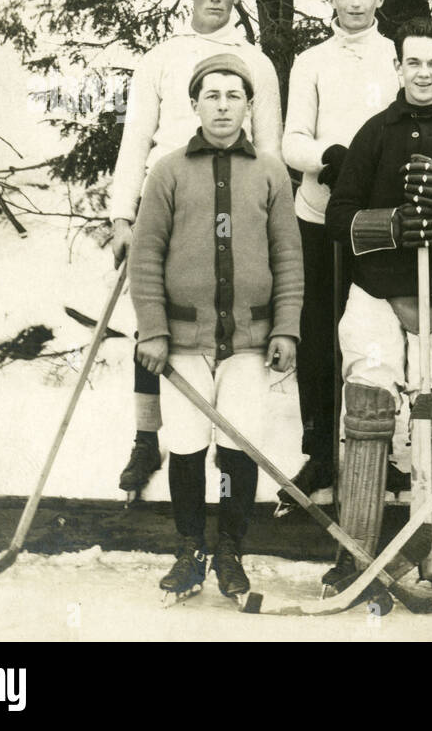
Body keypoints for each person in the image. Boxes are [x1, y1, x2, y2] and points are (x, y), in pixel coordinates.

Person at [324, 17, 432, 589]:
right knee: (370, 414)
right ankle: (355, 551)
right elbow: (337, 216)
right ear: (397, 67)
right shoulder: (374, 133)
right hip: (377, 294)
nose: (423, 73)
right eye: (413, 62)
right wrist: (394, 225)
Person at [109, 0, 282, 503]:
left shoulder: (257, 62)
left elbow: (272, 147)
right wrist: (122, 213)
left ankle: (234, 447)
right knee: (157, 320)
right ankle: (145, 436)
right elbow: (136, 136)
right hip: (170, 197)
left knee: (228, 323)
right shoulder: (161, 56)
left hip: (237, 198)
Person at [130, 54, 302, 601]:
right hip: (182, 342)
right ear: (194, 105)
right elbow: (146, 253)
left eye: (234, 96)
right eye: (212, 96)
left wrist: (286, 328)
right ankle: (189, 549)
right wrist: (153, 329)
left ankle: (230, 549)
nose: (223, 105)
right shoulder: (169, 170)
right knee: (184, 444)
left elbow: (289, 256)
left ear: (250, 106)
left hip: (249, 344)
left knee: (237, 446)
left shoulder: (271, 171)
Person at [280, 0, 401, 504]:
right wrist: (329, 156)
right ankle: (320, 451)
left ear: (381, 0)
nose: (355, 4)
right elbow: (291, 140)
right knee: (322, 331)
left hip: (379, 218)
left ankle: (380, 447)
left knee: (378, 331)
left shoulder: (397, 57)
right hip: (320, 212)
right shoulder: (311, 61)